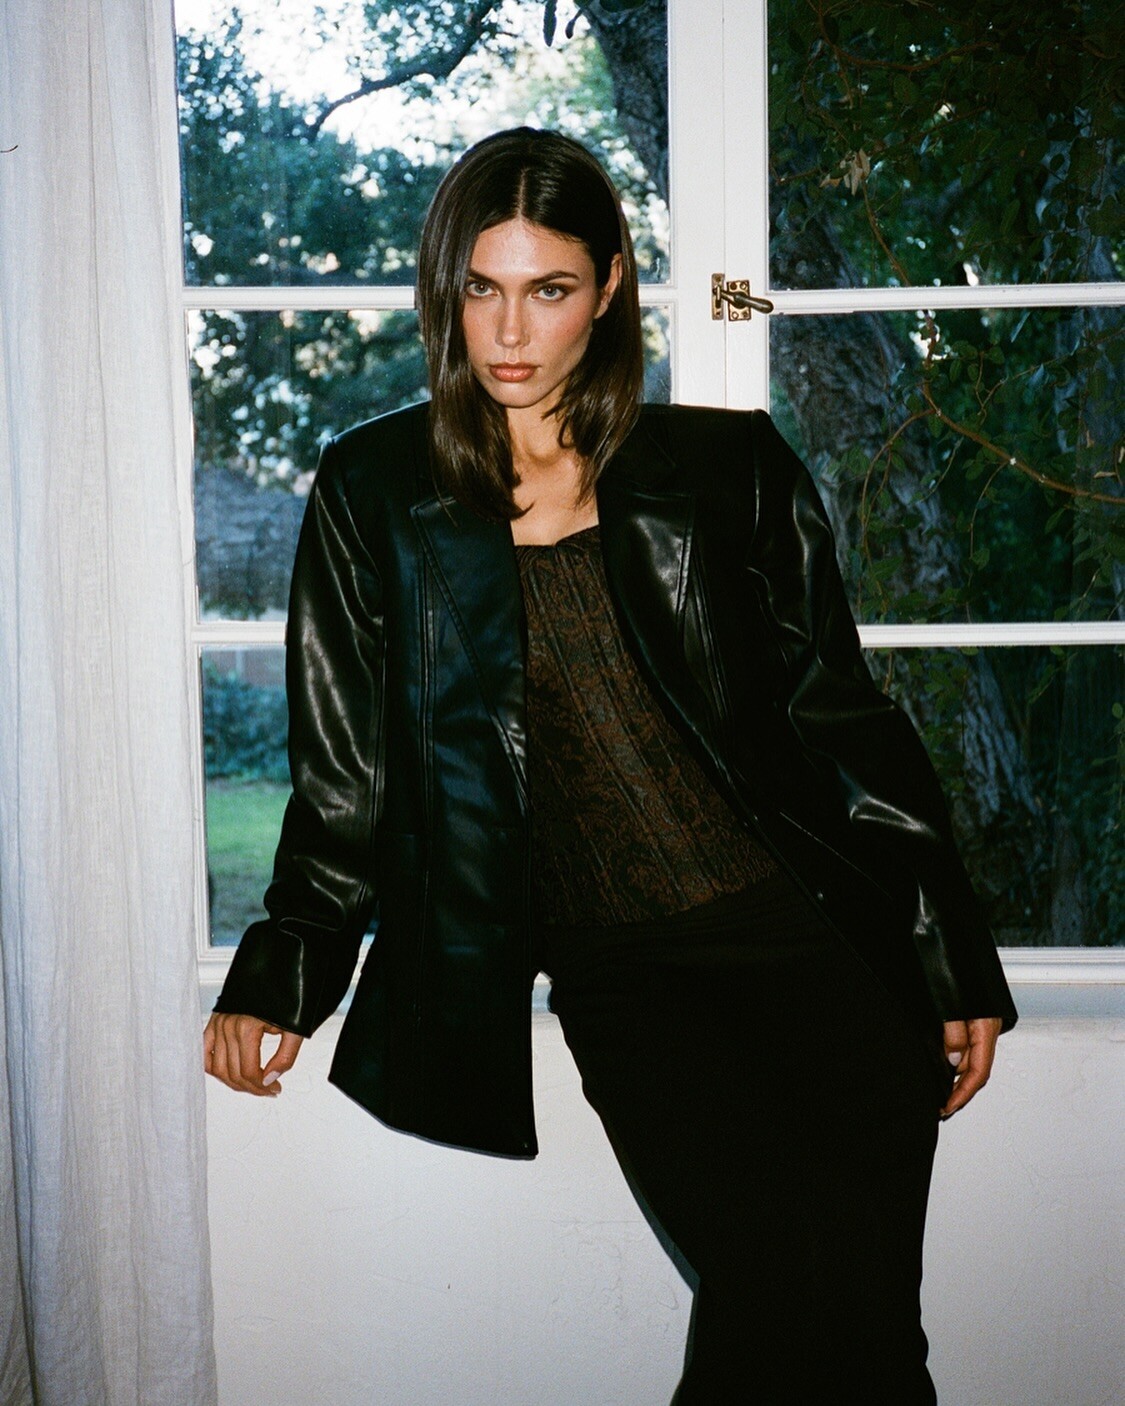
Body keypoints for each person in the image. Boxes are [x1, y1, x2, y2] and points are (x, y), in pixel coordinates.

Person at [204, 127, 1016, 1403]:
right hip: (627, 975)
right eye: (480, 287)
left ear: (613, 283)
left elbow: (844, 722)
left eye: (549, 288)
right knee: (781, 1298)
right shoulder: (376, 492)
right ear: (444, 289)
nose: (508, 331)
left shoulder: (730, 469)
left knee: (859, 1338)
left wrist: (946, 944)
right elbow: (346, 774)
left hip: (823, 950)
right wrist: (286, 965)